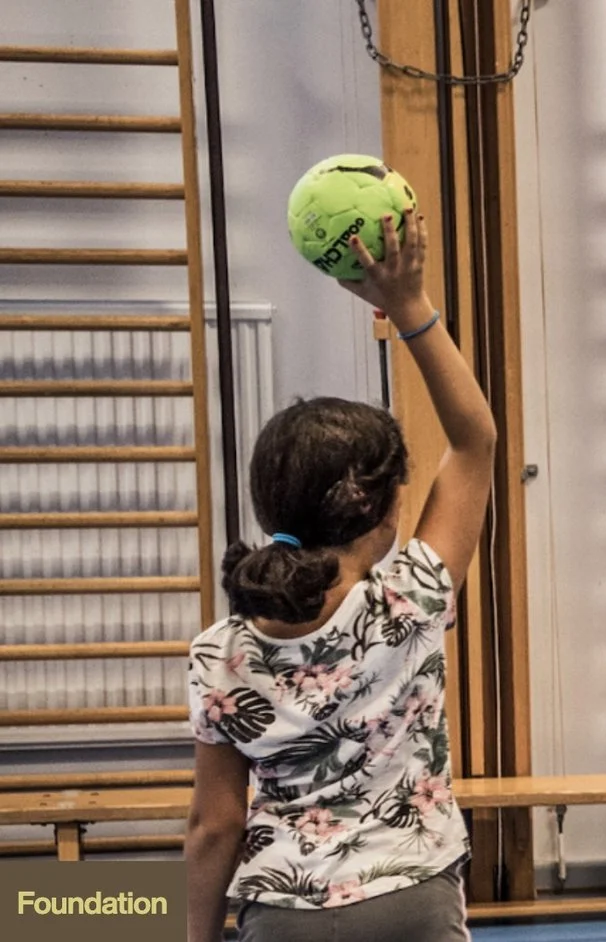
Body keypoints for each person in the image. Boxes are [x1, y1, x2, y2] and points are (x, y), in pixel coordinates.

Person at [183, 217, 497, 942]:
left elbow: (214, 824)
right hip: (411, 895)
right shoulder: (412, 598)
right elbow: (475, 439)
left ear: (268, 505)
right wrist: (409, 304)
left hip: (283, 910)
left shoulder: (218, 653)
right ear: (384, 510)